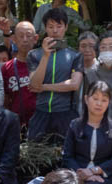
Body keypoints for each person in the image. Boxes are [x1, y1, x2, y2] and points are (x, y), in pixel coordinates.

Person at [62, 81, 112, 184]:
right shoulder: (75, 125)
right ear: (86, 99)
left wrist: (94, 171)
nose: (99, 103)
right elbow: (67, 156)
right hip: (76, 176)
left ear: (109, 103)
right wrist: (83, 174)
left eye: (104, 100)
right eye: (95, 98)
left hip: (103, 178)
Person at [27, 8, 83, 142]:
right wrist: (46, 55)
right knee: (36, 157)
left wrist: (44, 87)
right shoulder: (34, 54)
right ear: (45, 28)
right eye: (51, 26)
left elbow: (74, 84)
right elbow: (34, 84)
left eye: (59, 26)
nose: (55, 31)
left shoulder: (75, 55)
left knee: (66, 157)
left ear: (66, 27)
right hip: (41, 113)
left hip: (65, 113)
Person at [0, 21, 38, 131]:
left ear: (35, 38)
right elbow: (4, 99)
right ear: (14, 39)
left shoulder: (44, 64)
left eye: (29, 35)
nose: (25, 39)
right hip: (17, 126)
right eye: (21, 36)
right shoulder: (6, 68)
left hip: (42, 123)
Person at [85, 32, 112, 123]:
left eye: (111, 47)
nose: (107, 51)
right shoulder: (90, 74)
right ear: (98, 51)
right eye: (103, 47)